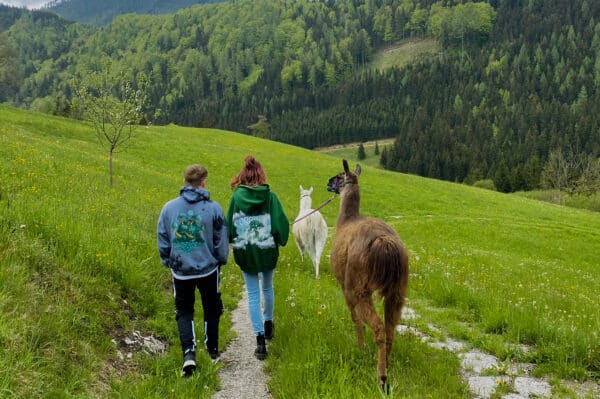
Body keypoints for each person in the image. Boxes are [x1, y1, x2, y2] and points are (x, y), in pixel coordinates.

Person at [157, 164, 229, 377]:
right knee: (211, 307)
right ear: (204, 182)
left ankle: (189, 354)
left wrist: (168, 260)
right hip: (208, 268)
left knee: (184, 310)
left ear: (184, 180)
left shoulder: (169, 208)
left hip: (181, 270)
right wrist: (220, 259)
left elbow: (163, 238)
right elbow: (221, 239)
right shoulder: (213, 208)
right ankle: (213, 350)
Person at [226, 155, 289, 360]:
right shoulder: (270, 197)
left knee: (253, 294)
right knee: (268, 287)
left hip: (246, 251)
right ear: (261, 174)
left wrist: (230, 241)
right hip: (266, 249)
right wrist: (280, 239)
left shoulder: (236, 197)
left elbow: (229, 225)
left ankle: (260, 342)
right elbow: (280, 225)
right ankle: (268, 323)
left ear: (243, 175)